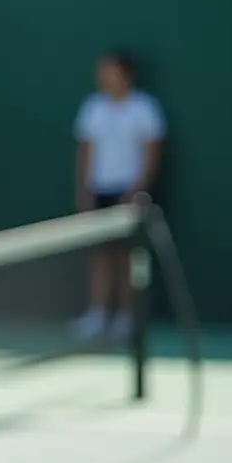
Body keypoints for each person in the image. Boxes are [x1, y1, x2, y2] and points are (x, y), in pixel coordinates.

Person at [72, 50, 166, 340]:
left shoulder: (144, 109)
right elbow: (85, 151)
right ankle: (98, 314)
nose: (103, 77)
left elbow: (152, 153)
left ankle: (127, 317)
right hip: (100, 190)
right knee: (100, 256)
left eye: (110, 71)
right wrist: (84, 189)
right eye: (102, 71)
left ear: (126, 75)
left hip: (129, 193)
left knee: (127, 257)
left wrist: (137, 189)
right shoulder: (93, 108)